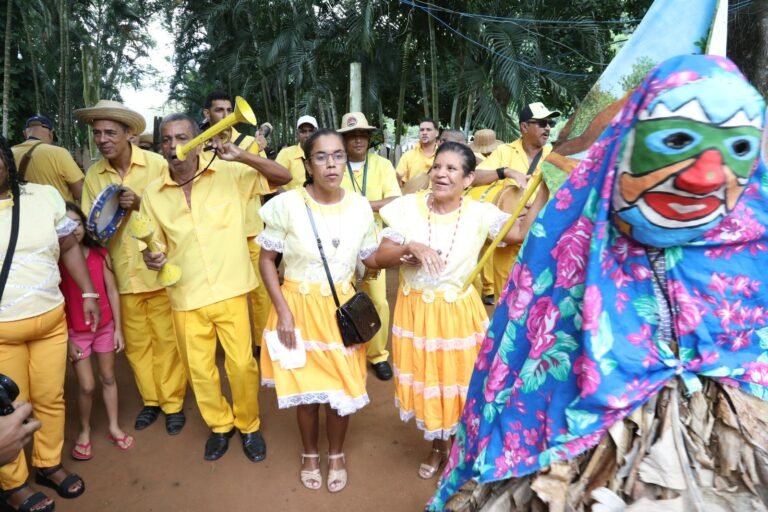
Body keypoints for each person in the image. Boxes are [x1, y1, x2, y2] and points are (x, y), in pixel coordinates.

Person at [431, 54, 768, 510]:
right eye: (676, 140)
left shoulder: (754, 251)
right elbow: (513, 363)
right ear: (623, 144)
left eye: (739, 149)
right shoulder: (564, 254)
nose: (705, 176)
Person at [373, 141, 536, 480]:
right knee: (429, 378)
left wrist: (545, 186)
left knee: (461, 382)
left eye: (451, 169)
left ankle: (462, 446)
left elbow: (519, 232)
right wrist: (409, 246)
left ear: (468, 179)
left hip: (459, 314)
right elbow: (381, 256)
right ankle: (439, 447)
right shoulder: (406, 208)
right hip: (416, 312)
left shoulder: (480, 213)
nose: (441, 174)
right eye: (437, 167)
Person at [141, 113, 289, 463]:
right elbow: (154, 246)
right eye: (166, 139)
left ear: (197, 142)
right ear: (161, 146)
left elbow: (286, 176)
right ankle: (220, 426)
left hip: (232, 288)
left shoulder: (230, 173)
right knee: (201, 370)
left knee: (240, 366)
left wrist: (243, 155)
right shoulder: (152, 193)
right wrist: (153, 258)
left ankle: (249, 424)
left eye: (181, 137)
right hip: (186, 295)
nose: (173, 145)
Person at [258, 128, 380, 492]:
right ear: (308, 163)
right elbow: (267, 261)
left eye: (338, 155)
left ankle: (336, 453)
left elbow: (369, 257)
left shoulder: (360, 206)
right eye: (322, 156)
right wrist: (283, 310)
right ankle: (311, 453)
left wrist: (405, 251)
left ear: (346, 160)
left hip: (341, 310)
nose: (331, 163)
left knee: (339, 392)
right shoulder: (287, 205)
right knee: (307, 392)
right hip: (296, 306)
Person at [75, 100, 188, 436]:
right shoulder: (94, 174)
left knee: (167, 341)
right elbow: (89, 226)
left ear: (129, 134)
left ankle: (173, 404)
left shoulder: (156, 164)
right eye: (97, 133)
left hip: (159, 269)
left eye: (110, 132)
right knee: (137, 345)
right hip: (121, 275)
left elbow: (178, 211)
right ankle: (151, 401)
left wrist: (141, 204)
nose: (103, 139)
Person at [0, 135, 98, 512]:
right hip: (3, 332)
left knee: (51, 397)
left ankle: (48, 463)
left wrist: (88, 294)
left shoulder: (44, 197)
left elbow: (70, 247)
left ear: (6, 159)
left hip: (51, 323)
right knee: (9, 410)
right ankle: (14, 483)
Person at [201, 91, 282, 354]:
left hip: (250, 229)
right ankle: (228, 344)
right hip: (216, 232)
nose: (225, 116)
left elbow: (266, 178)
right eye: (219, 110)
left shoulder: (249, 142)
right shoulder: (199, 147)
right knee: (223, 292)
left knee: (261, 290)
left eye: (228, 110)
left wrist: (250, 153)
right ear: (207, 114)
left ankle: (262, 342)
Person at [60, 202, 133, 461]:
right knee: (87, 386)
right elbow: (58, 302)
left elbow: (112, 291)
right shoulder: (58, 262)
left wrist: (118, 330)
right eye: (67, 225)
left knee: (108, 377)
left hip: (104, 328)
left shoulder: (100, 254)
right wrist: (67, 339)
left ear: (85, 225)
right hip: (76, 333)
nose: (74, 229)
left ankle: (114, 427)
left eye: (77, 223)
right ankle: (84, 430)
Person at [472, 102, 560, 303]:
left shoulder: (554, 156)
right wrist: (505, 172)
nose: (547, 128)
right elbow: (474, 177)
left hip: (542, 238)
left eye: (550, 123)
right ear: (524, 127)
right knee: (506, 301)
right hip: (509, 242)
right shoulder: (504, 151)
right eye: (541, 123)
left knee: (538, 300)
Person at [337, 112, 401, 381]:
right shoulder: (335, 164)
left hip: (373, 244)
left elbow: (395, 199)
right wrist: (370, 205)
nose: (358, 139)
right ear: (344, 139)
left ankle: (378, 355)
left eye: (362, 134)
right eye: (352, 135)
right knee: (341, 297)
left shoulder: (382, 165)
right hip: (340, 244)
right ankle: (345, 350)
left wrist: (362, 206)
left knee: (377, 298)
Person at [11, 115, 84, 203]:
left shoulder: (9, 154)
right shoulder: (59, 153)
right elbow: (80, 192)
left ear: (25, 134)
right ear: (51, 134)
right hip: (58, 215)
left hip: (22, 214)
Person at [275, 115, 318, 190]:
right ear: (297, 135)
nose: (307, 135)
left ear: (317, 133)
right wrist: (288, 201)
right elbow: (274, 180)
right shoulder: (286, 154)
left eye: (311, 131)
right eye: (303, 132)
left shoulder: (325, 154)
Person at [396, 118, 438, 186]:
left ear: (436, 133)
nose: (424, 133)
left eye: (428, 130)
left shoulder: (442, 156)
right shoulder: (408, 156)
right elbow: (400, 183)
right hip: (413, 195)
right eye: (422, 130)